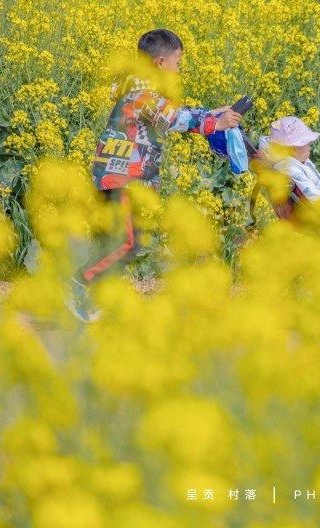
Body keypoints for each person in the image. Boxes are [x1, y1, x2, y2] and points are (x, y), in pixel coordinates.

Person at [66, 29, 242, 322]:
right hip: (121, 177)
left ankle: (90, 299)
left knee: (120, 242)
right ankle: (79, 283)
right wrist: (215, 124)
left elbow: (168, 114)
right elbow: (172, 118)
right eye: (177, 63)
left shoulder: (137, 86)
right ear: (161, 62)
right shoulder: (142, 92)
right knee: (126, 243)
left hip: (122, 176)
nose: (178, 70)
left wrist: (212, 114)